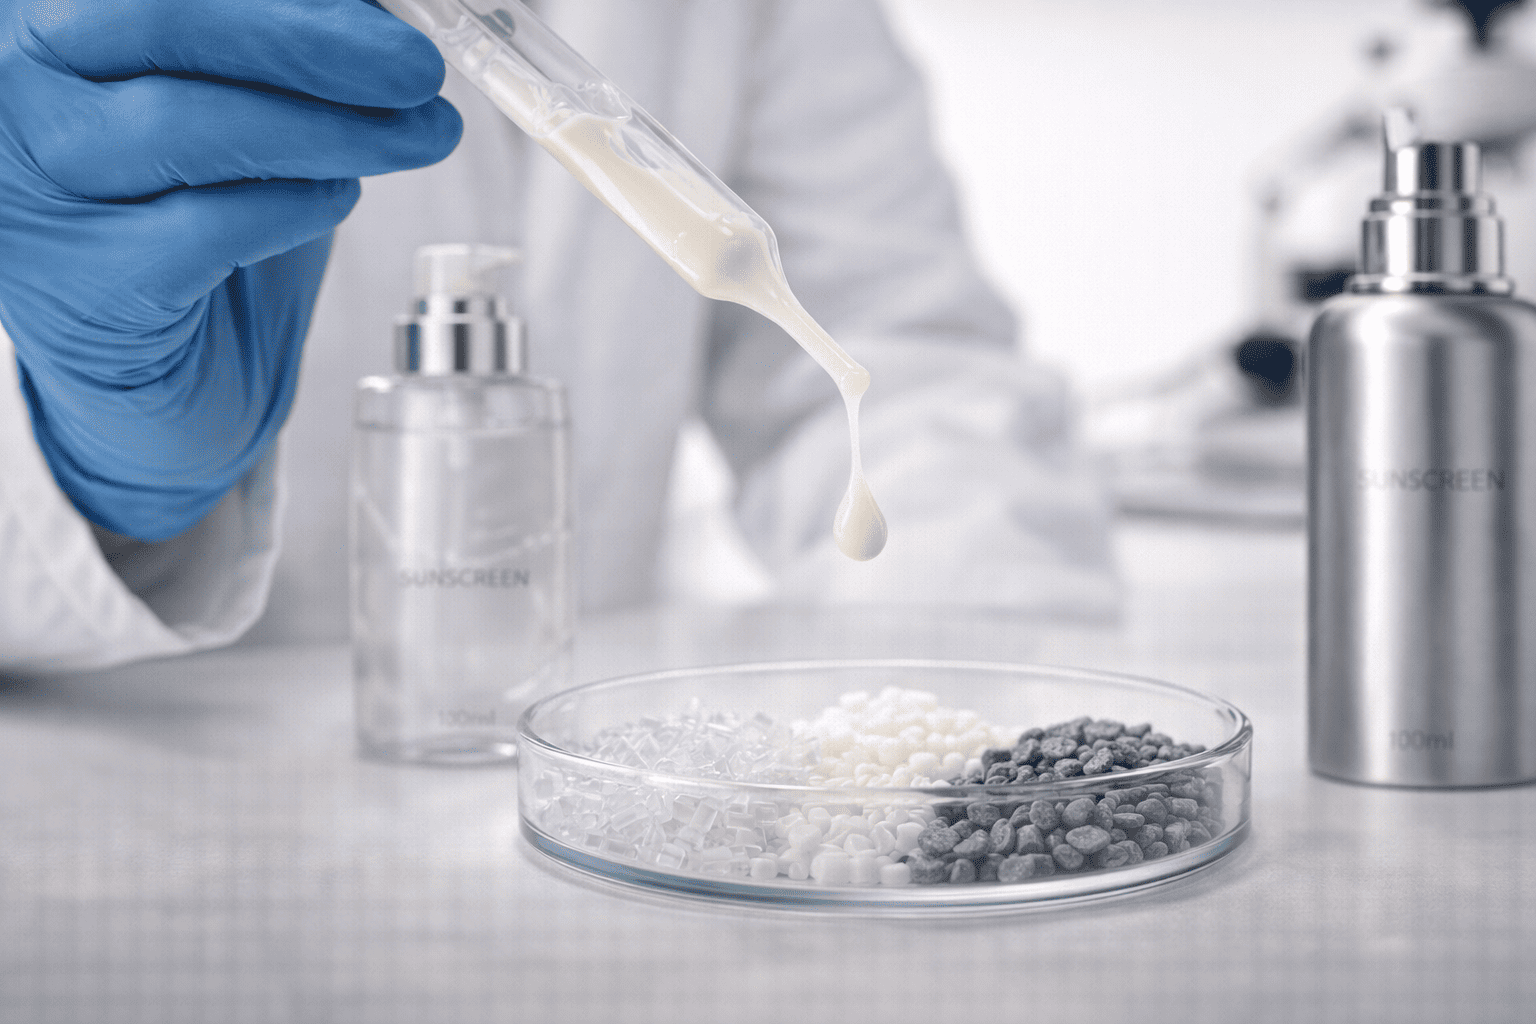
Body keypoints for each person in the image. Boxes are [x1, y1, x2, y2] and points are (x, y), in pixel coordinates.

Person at [0, 0, 1117, 674]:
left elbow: (893, 355)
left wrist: (962, 706)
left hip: (573, 825)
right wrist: (89, 462)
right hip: (130, 827)